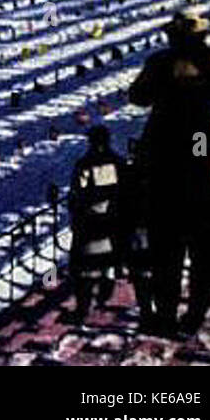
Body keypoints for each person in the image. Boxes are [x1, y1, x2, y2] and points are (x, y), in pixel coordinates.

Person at [128, 10, 210, 335]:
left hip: (168, 167)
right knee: (202, 249)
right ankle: (193, 315)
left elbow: (137, 96)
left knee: (166, 251)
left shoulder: (160, 64)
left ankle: (168, 315)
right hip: (207, 169)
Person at [68, 126, 131, 320]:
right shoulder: (119, 163)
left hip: (89, 224)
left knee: (83, 270)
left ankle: (83, 309)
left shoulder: (84, 165)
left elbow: (77, 193)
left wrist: (77, 215)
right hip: (114, 223)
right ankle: (105, 292)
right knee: (108, 263)